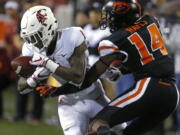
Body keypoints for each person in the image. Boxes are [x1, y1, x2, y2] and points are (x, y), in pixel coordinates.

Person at [40, 0, 179, 135]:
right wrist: (121, 69)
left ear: (119, 17)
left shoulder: (112, 41)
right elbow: (143, 60)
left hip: (149, 86)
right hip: (172, 93)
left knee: (97, 123)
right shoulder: (151, 21)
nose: (107, 21)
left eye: (110, 17)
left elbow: (89, 79)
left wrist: (59, 90)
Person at [17, 5, 124, 135]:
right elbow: (22, 87)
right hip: (69, 103)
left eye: (35, 36)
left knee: (123, 130)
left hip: (94, 95)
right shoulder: (29, 48)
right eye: (29, 38)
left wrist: (48, 63)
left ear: (48, 27)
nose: (32, 43)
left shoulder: (73, 36)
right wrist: (34, 78)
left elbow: (78, 78)